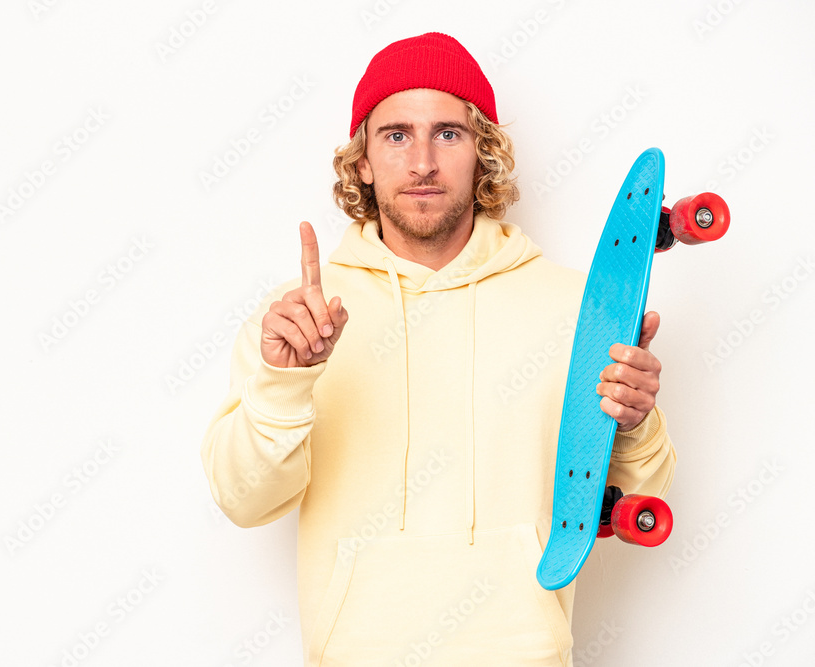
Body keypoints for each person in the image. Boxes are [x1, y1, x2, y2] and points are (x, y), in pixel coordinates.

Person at [201, 32, 675, 666]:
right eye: (396, 135)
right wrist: (283, 385)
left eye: (448, 134)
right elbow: (243, 500)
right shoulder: (298, 319)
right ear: (362, 161)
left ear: (483, 152)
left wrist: (636, 423)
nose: (422, 162)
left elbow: (641, 489)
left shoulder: (574, 307)